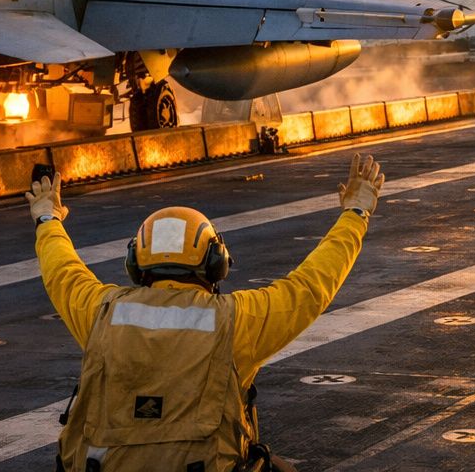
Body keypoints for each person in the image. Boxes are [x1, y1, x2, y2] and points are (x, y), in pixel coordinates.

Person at [28, 153, 385, 472]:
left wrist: (47, 217)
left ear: (136, 263)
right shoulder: (235, 319)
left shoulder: (100, 311)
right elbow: (309, 286)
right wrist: (355, 214)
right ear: (215, 263)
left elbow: (62, 269)